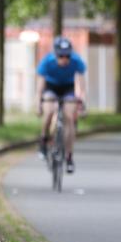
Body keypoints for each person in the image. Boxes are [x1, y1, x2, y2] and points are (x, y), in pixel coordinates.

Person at [36, 36, 86, 173]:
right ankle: (43, 140)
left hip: (68, 88)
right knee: (49, 111)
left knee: (69, 117)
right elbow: (40, 86)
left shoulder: (76, 61)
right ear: (55, 54)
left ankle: (69, 157)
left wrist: (82, 102)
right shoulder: (47, 62)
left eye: (67, 56)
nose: (64, 59)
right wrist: (38, 104)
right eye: (61, 56)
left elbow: (81, 86)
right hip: (51, 87)